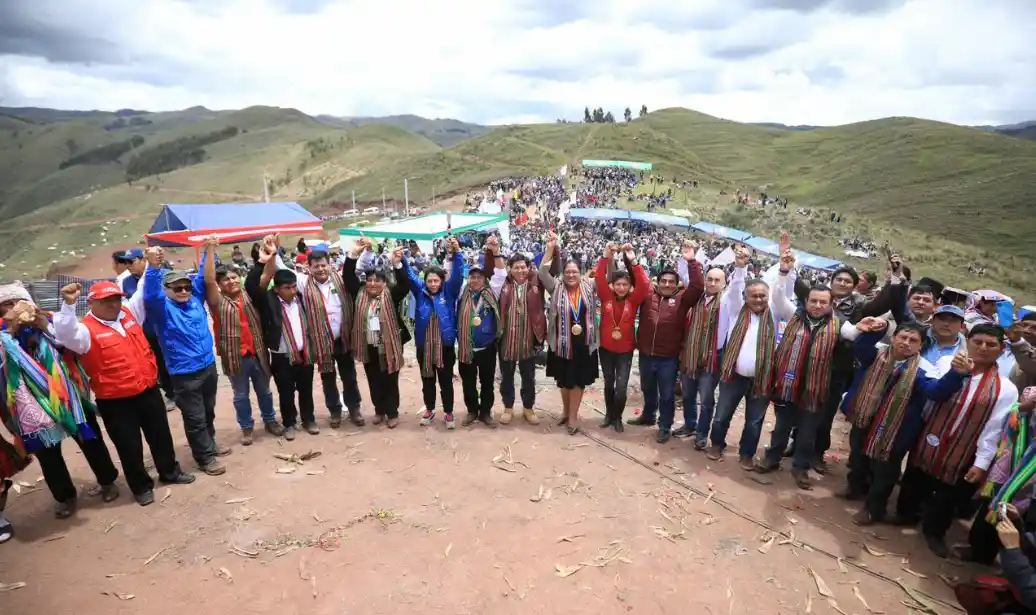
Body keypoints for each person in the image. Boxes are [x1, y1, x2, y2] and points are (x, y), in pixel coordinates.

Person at [52, 280, 196, 505]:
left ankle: (170, 472)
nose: (112, 304)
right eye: (105, 301)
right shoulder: (84, 331)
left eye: (116, 299)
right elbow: (64, 333)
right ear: (92, 303)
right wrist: (68, 305)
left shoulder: (129, 315)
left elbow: (142, 292)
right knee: (129, 446)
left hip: (147, 390)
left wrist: (151, 265)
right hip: (116, 401)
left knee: (160, 436)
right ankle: (141, 487)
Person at [901, 324, 1019, 557]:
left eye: (991, 344)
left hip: (964, 449)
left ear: (1002, 349)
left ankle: (934, 532)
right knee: (915, 477)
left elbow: (994, 429)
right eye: (978, 342)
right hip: (927, 437)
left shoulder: (1006, 389)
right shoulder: (946, 363)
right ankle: (905, 514)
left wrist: (982, 462)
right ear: (968, 342)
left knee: (949, 493)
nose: (983, 348)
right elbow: (929, 396)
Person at [0, 290, 120, 519]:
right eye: (7, 304)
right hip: (31, 405)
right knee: (48, 453)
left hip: (69, 394)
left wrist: (45, 325)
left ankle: (107, 480)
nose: (15, 306)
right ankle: (65, 496)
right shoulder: (2, 334)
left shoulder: (51, 319)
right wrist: (12, 334)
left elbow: (74, 346)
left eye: (19, 301)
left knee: (90, 438)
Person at [839, 319, 969, 525]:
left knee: (885, 472)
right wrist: (875, 329)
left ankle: (874, 509)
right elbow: (859, 347)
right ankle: (855, 487)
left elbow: (937, 393)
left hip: (895, 431)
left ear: (920, 345)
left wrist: (956, 374)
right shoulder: (876, 355)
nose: (907, 343)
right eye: (903, 337)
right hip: (864, 419)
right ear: (893, 338)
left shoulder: (922, 370)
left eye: (913, 340)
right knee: (858, 458)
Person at [755, 249, 860, 490]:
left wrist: (867, 326)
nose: (817, 305)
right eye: (813, 301)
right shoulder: (794, 315)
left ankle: (800, 468)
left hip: (814, 389)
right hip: (788, 386)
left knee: (807, 432)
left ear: (831, 305)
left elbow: (854, 334)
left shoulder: (838, 325)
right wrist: (784, 271)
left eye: (823, 302)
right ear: (805, 301)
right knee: (781, 427)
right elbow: (780, 297)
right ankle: (772, 459)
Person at [142, 246, 229, 475]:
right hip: (184, 374)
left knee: (208, 412)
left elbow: (204, 276)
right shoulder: (161, 310)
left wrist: (209, 248)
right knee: (195, 418)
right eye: (177, 287)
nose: (183, 290)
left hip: (208, 367)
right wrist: (153, 267)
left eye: (186, 286)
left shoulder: (195, 298)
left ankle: (209, 444)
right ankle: (205, 458)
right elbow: (150, 295)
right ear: (166, 290)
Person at [705, 253, 797, 469]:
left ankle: (747, 454)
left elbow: (782, 296)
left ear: (768, 297)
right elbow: (736, 288)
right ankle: (717, 444)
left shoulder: (775, 312)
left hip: (762, 379)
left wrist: (784, 273)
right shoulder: (736, 310)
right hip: (733, 376)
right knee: (721, 416)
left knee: (754, 422)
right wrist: (739, 267)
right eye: (753, 296)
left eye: (762, 296)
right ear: (746, 298)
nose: (758, 299)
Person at [201, 237, 285, 445]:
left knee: (265, 391)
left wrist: (272, 254)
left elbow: (267, 275)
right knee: (240, 395)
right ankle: (247, 427)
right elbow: (208, 280)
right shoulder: (217, 302)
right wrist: (210, 249)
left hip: (257, 351)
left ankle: (270, 421)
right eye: (226, 280)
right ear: (220, 285)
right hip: (235, 356)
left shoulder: (250, 294)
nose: (232, 281)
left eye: (234, 277)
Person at [627, 240, 704, 443]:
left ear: (676, 284)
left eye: (671, 282)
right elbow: (636, 278)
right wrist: (630, 259)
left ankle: (664, 425)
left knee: (667, 395)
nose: (667, 285)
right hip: (645, 354)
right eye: (664, 281)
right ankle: (648, 415)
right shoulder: (648, 296)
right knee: (648, 389)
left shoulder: (682, 299)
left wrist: (692, 261)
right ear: (658, 282)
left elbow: (697, 287)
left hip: (668, 358)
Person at [245, 235, 316, 440]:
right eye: (287, 288)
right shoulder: (268, 302)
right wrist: (262, 261)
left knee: (306, 389)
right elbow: (251, 286)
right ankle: (290, 423)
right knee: (285, 392)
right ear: (276, 289)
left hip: (304, 354)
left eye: (294, 286)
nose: (292, 291)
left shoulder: (302, 299)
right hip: (281, 357)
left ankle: (309, 419)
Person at [678, 248, 746, 450]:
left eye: (718, 280)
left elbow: (736, 288)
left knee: (706, 399)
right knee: (688, 395)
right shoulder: (695, 299)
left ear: (724, 283)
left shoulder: (728, 302)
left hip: (712, 359)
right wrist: (688, 259)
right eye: (710, 279)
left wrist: (740, 268)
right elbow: (686, 275)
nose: (713, 283)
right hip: (690, 356)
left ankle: (701, 434)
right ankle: (689, 425)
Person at [342, 238, 411, 428]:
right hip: (368, 346)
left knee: (390, 380)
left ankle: (392, 412)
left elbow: (405, 284)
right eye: (369, 280)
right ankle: (379, 410)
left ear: (384, 283)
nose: (372, 283)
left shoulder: (391, 295)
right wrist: (353, 254)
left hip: (389, 346)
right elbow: (348, 276)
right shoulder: (360, 293)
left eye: (377, 280)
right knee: (373, 380)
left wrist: (397, 263)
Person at [295, 249, 365, 429]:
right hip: (321, 340)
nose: (320, 269)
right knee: (328, 377)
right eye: (316, 266)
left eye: (323, 265)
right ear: (308, 268)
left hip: (344, 336)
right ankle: (334, 411)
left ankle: (354, 408)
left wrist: (362, 252)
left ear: (330, 265)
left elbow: (360, 266)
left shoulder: (341, 279)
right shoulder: (303, 283)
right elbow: (279, 268)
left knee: (349, 376)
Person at [540, 231, 600, 435]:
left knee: (577, 381)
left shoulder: (590, 286)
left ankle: (573, 417)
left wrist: (608, 257)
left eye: (574, 272)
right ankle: (566, 412)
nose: (571, 275)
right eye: (567, 272)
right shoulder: (555, 287)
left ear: (580, 273)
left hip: (583, 344)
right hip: (560, 342)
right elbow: (542, 273)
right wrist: (550, 249)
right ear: (563, 273)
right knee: (564, 380)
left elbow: (607, 277)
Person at [405, 237, 465, 429]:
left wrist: (457, 254)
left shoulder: (448, 293)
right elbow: (409, 276)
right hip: (424, 347)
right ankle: (429, 410)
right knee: (427, 381)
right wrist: (402, 261)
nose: (432, 284)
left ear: (442, 281)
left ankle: (448, 413)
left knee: (446, 381)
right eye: (429, 280)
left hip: (445, 347)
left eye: (436, 280)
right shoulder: (419, 292)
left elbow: (457, 276)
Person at [595, 242, 651, 432]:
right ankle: (609, 415)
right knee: (609, 383)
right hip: (606, 348)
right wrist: (605, 255)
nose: (621, 288)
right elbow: (599, 276)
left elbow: (644, 284)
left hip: (625, 351)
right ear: (612, 285)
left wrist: (633, 259)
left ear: (629, 286)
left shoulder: (634, 300)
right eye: (617, 284)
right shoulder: (605, 296)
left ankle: (617, 417)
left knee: (621, 386)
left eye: (625, 284)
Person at [457, 237, 508, 428]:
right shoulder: (462, 293)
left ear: (484, 279)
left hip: (486, 347)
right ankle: (472, 411)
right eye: (472, 277)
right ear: (468, 278)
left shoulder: (491, 291)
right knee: (468, 383)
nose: (475, 280)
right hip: (466, 347)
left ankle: (486, 412)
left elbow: (501, 274)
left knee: (487, 382)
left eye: (479, 277)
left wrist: (495, 251)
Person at [120, 247, 178, 413]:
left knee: (174, 357)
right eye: (125, 262)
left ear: (143, 260)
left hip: (168, 327)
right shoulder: (127, 282)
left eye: (131, 261)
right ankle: (171, 394)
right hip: (147, 331)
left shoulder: (165, 274)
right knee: (159, 362)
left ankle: (182, 390)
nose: (128, 265)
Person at [497, 251, 547, 426]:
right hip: (507, 339)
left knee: (528, 377)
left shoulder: (536, 283)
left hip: (528, 338)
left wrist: (551, 248)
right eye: (516, 267)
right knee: (507, 377)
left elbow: (550, 268)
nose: (520, 270)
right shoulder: (503, 284)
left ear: (528, 268)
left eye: (523, 267)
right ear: (510, 269)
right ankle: (508, 408)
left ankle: (528, 408)